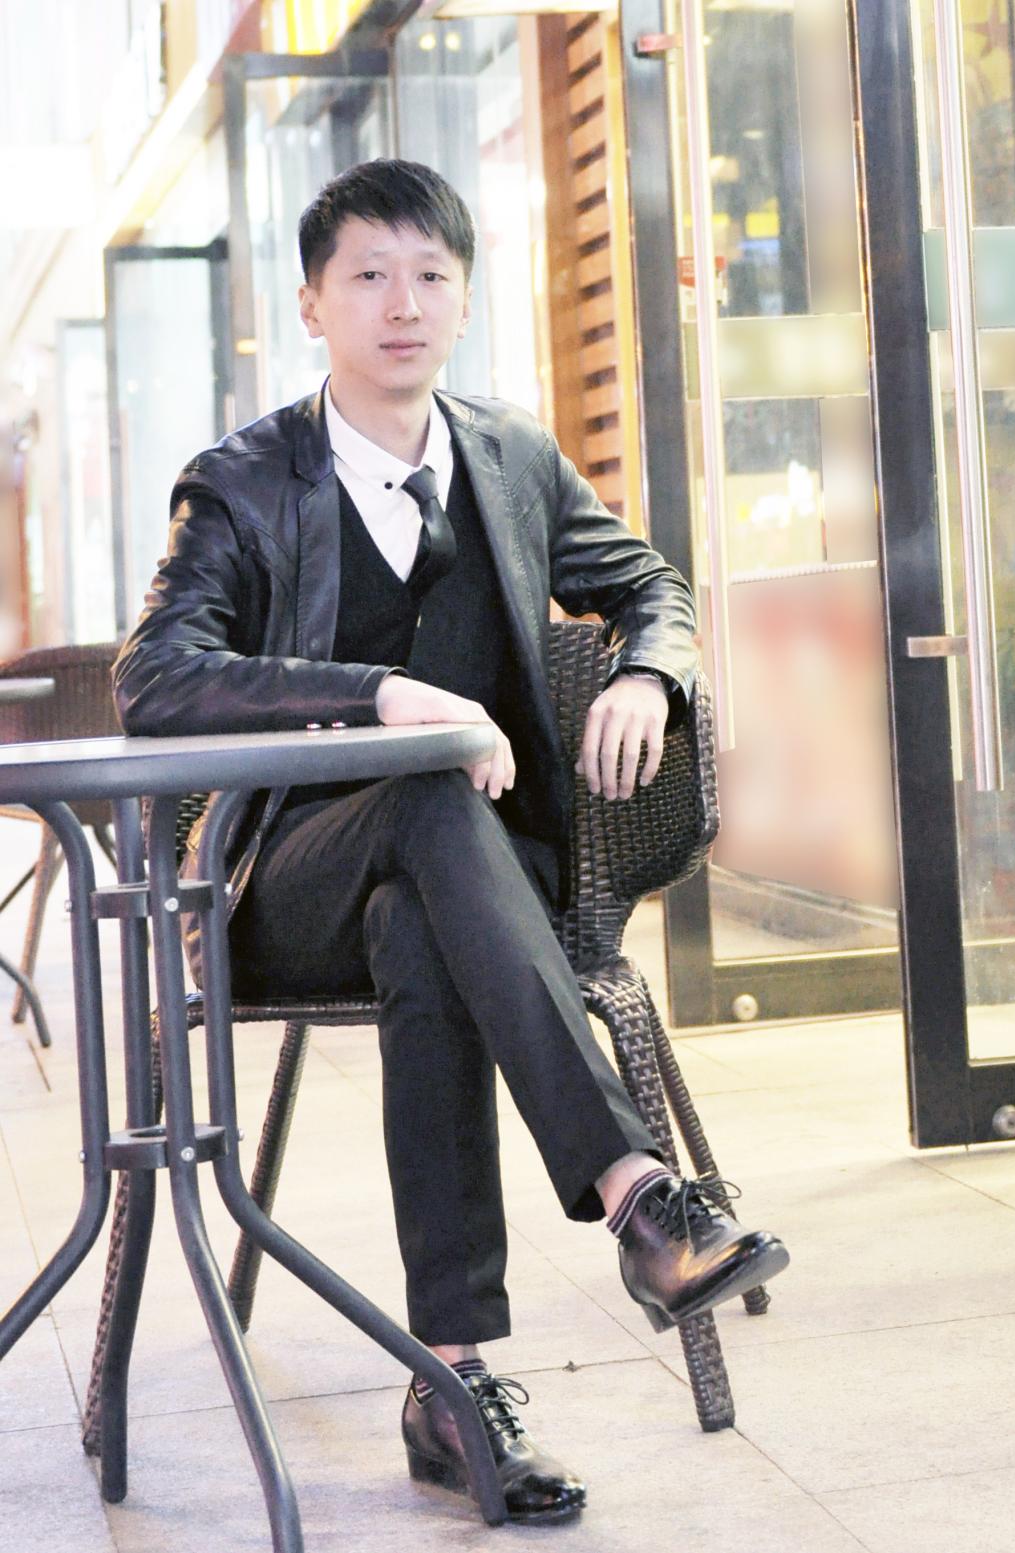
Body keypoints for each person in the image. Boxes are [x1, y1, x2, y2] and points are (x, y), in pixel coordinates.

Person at [113, 159, 788, 1525]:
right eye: (368, 276)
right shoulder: (240, 484)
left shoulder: (512, 458)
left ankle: (454, 1378)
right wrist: (379, 695)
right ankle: (639, 1193)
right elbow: (154, 677)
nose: (402, 304)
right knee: (428, 792)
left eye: (430, 275)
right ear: (313, 304)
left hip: (482, 883)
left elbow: (649, 582)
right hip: (285, 880)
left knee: (427, 913)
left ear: (465, 298)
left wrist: (648, 673)